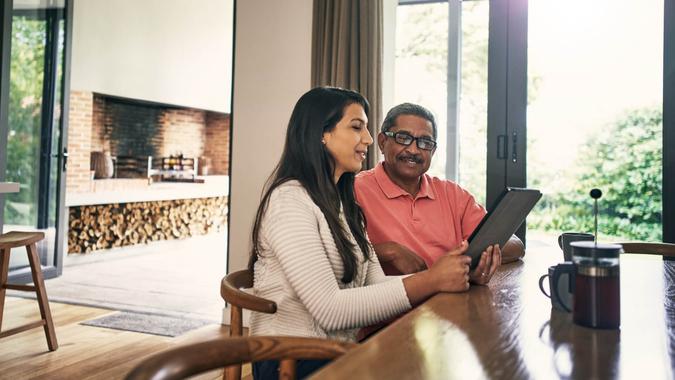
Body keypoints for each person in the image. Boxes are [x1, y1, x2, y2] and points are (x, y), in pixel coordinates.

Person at [248, 88, 493, 379]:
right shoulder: (290, 201)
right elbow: (330, 310)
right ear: (321, 133)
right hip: (293, 361)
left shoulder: (344, 203)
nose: (367, 139)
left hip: (342, 351)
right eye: (356, 127)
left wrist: (449, 275)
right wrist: (432, 279)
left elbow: (376, 283)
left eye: (365, 128)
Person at [355, 102, 525, 280]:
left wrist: (462, 262)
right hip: (390, 305)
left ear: (433, 151)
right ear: (382, 142)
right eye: (403, 138)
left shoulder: (453, 194)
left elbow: (515, 245)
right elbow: (333, 255)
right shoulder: (355, 189)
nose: (413, 150)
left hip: (450, 298)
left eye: (425, 142)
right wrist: (387, 251)